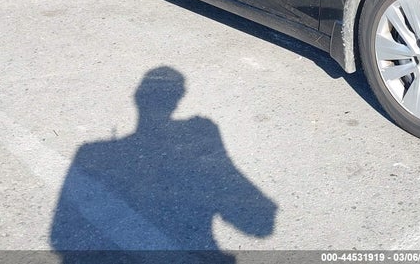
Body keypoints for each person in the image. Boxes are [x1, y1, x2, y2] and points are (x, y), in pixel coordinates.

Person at [50, 67, 276, 262]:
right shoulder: (202, 131)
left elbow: (60, 238)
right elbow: (261, 225)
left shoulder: (91, 152)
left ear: (138, 97)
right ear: (179, 98)